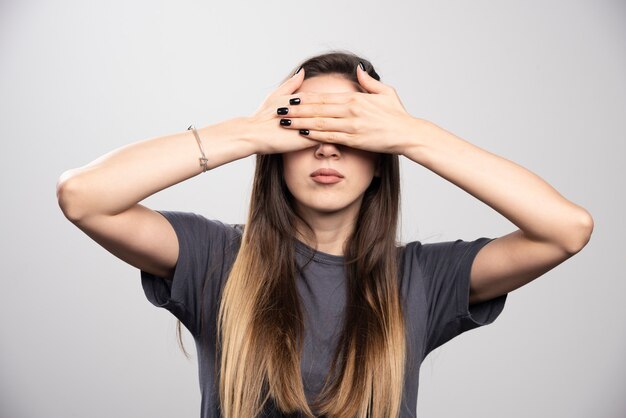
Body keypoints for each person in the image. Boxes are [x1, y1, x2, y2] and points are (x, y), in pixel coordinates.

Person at [56, 51, 594, 418]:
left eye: (351, 130)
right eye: (307, 128)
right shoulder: (217, 258)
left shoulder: (421, 279)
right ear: (278, 152)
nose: (328, 147)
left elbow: (566, 230)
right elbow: (84, 196)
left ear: (382, 159)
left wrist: (415, 135)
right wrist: (248, 132)